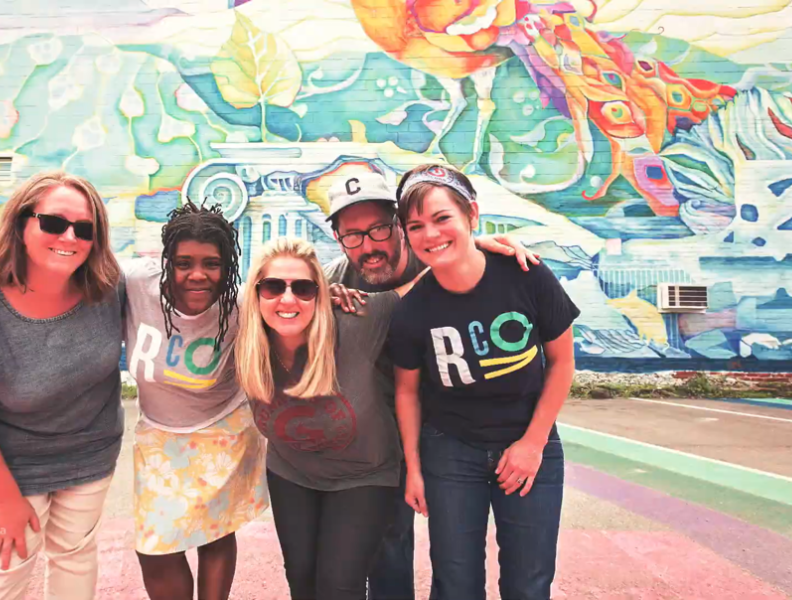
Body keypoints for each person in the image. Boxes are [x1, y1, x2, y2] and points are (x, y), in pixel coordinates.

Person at [322, 171, 539, 600]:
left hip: (449, 423)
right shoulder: (332, 279)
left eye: (379, 229)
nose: (368, 245)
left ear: (400, 224)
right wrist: (313, 296)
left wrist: (476, 245)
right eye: (352, 235)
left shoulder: (437, 258)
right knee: (387, 537)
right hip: (380, 425)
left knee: (462, 551)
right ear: (337, 237)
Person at [0, 171, 125, 599]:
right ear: (20, 224)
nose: (70, 237)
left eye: (85, 229)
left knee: (75, 559)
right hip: (8, 465)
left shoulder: (108, 291)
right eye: (54, 223)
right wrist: (5, 500)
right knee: (4, 572)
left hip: (88, 457)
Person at [388, 165, 578, 600]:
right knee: (456, 584)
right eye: (415, 226)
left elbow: (562, 361)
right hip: (451, 449)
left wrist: (533, 443)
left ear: (472, 214)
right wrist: (414, 469)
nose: (430, 234)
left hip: (530, 442)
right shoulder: (412, 310)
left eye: (442, 218)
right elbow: (407, 391)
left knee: (529, 584)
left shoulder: (526, 274)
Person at [235, 237, 427, 600]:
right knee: (302, 579)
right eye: (273, 287)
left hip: (364, 473)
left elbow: (424, 283)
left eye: (303, 288)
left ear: (320, 295)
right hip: (292, 471)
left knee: (339, 586)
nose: (287, 300)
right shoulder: (243, 335)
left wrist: (479, 244)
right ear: (256, 294)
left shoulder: (356, 323)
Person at [122, 202, 269, 600]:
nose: (198, 274)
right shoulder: (136, 284)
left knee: (214, 533)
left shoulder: (240, 308)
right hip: (158, 435)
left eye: (212, 264)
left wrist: (335, 293)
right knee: (155, 548)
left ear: (227, 267)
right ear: (167, 263)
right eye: (184, 263)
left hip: (223, 432)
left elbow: (299, 299)